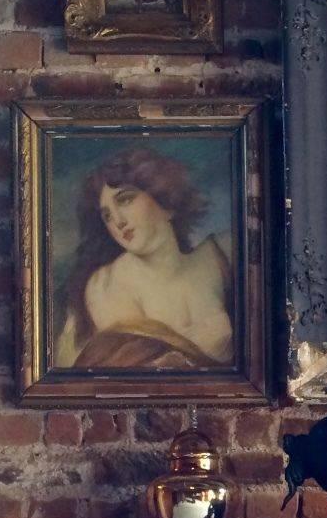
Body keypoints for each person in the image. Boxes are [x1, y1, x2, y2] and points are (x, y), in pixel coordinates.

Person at [54, 146, 233, 369]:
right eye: (107, 215)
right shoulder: (108, 285)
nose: (117, 221)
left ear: (165, 200)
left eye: (125, 200)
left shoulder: (218, 256)